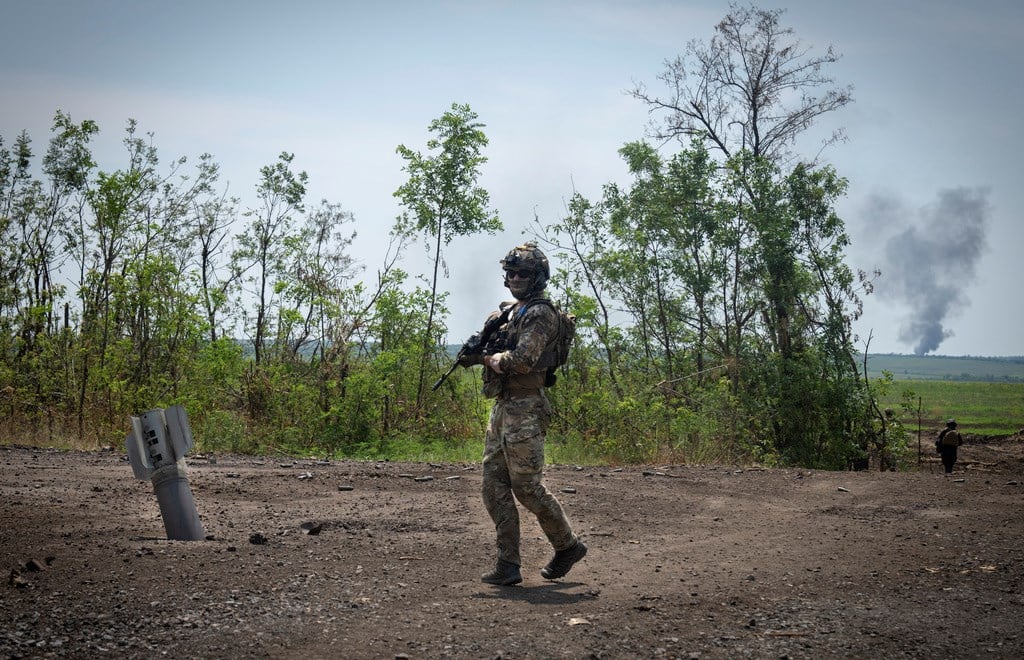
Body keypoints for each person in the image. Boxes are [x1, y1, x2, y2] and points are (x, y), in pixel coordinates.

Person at [461, 241, 587, 586]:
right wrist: (477, 351)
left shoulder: (540, 313)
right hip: (503, 407)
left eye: (524, 273)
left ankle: (568, 546)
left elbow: (522, 361)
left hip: (527, 407)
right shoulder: (509, 312)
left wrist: (486, 359)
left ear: (538, 277)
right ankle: (508, 564)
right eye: (511, 272)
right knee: (492, 485)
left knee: (527, 487)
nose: (516, 278)